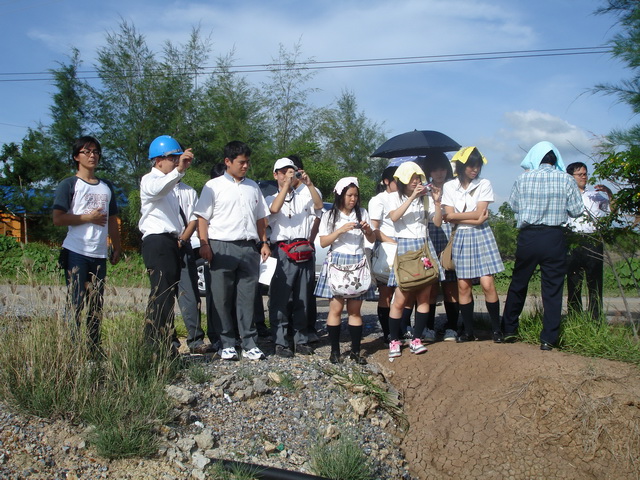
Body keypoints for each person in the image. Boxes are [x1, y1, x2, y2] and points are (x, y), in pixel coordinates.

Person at [502, 143, 583, 350]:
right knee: (552, 288)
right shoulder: (566, 179)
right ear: (555, 160)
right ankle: (548, 339)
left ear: (536, 158)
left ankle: (509, 330)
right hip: (554, 236)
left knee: (519, 283)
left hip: (528, 236)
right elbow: (576, 211)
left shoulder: (523, 178)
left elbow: (514, 206)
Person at [194, 141, 270, 361]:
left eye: (247, 162)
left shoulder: (253, 187)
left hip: (248, 247)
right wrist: (204, 244)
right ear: (228, 161)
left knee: (248, 297)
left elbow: (260, 218)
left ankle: (249, 343)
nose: (245, 166)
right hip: (221, 246)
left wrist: (264, 242)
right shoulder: (213, 186)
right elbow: (202, 217)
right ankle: (226, 343)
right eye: (241, 162)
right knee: (222, 297)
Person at [53, 135, 122, 353]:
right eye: (87, 152)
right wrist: (87, 218)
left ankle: (93, 348)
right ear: (76, 156)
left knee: (96, 303)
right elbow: (57, 218)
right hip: (76, 251)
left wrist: (117, 246)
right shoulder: (69, 184)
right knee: (76, 301)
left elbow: (112, 219)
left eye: (96, 152)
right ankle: (71, 348)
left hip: (99, 253)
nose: (92, 156)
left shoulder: (106, 186)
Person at [441, 147, 504, 343]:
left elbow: (476, 213)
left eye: (477, 166)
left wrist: (456, 216)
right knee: (463, 285)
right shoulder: (449, 186)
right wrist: (474, 219)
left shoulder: (484, 184)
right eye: (471, 166)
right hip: (462, 236)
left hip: (482, 234)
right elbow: (450, 216)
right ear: (461, 166)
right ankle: (468, 331)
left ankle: (496, 329)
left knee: (488, 284)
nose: (475, 169)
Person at [138, 135, 193, 356]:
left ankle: (165, 343)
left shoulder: (169, 185)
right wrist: (178, 171)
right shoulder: (150, 180)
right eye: (172, 158)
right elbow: (158, 189)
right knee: (161, 293)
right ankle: (154, 345)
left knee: (168, 294)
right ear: (158, 160)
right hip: (157, 240)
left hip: (170, 241)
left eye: (178, 158)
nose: (176, 162)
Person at [314, 177, 376, 364]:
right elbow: (323, 242)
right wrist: (340, 230)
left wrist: (367, 230)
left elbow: (372, 239)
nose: (353, 199)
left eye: (356, 195)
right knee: (336, 308)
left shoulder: (362, 212)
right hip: (337, 261)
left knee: (355, 310)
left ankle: (356, 352)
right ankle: (335, 351)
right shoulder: (329, 215)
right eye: (349, 195)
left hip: (357, 260)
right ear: (340, 195)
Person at [386, 161, 443, 358]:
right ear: (402, 180)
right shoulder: (394, 197)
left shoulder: (425, 199)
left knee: (424, 297)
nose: (416, 181)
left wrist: (437, 202)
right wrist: (412, 197)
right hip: (405, 248)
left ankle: (417, 339)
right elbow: (394, 217)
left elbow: (437, 223)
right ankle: (394, 340)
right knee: (400, 298)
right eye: (412, 178)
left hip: (424, 246)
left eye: (418, 177)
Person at [267, 158, 323, 357]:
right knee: (280, 298)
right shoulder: (270, 197)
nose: (287, 175)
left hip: (303, 247)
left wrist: (309, 183)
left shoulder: (304, 195)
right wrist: (285, 186)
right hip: (283, 249)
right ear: (275, 175)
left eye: (291, 171)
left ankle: (301, 338)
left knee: (303, 298)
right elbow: (274, 210)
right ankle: (280, 341)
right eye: (283, 172)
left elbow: (319, 206)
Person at [174, 179, 216, 354]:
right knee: (162, 295)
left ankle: (196, 340)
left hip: (185, 244)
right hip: (161, 243)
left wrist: (183, 239)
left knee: (190, 294)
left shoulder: (189, 191)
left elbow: (195, 218)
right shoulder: (152, 183)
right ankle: (168, 341)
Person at [565, 161, 612, 321]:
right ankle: (574, 317)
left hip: (593, 240)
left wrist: (609, 193)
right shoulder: (566, 196)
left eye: (585, 174)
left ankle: (595, 318)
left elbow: (612, 211)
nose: (583, 177)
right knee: (574, 281)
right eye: (580, 174)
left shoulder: (595, 195)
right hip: (573, 240)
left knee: (595, 281)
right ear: (571, 177)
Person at [423, 153, 459, 342]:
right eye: (435, 169)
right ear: (429, 172)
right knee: (429, 285)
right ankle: (427, 327)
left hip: (449, 237)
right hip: (429, 236)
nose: (439, 173)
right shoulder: (424, 191)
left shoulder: (454, 188)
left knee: (450, 285)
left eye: (442, 168)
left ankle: (452, 326)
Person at [289, 154, 324, 342]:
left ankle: (309, 328)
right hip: (287, 247)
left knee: (307, 290)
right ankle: (289, 329)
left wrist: (309, 242)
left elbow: (317, 217)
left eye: (292, 171)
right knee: (288, 290)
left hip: (305, 246)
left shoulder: (311, 190)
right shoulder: (285, 191)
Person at [368, 165, 398, 343]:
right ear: (387, 181)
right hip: (387, 248)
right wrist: (393, 242)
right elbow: (374, 229)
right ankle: (387, 333)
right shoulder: (378, 200)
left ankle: (401, 329)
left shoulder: (405, 198)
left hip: (404, 247)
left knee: (403, 292)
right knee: (386, 293)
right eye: (396, 180)